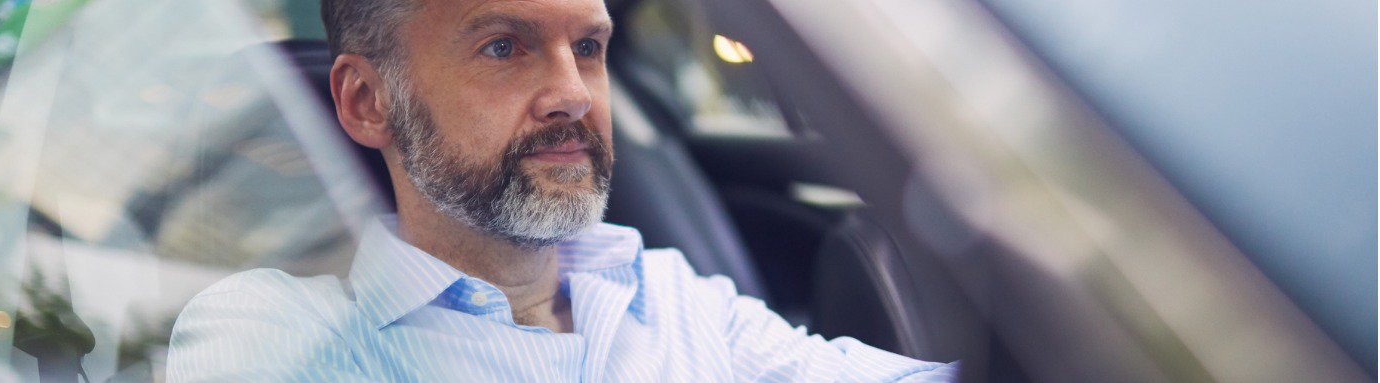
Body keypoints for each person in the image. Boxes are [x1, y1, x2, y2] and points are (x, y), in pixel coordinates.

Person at [166, 0, 959, 381]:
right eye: (504, 46)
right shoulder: (280, 334)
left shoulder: (671, 294)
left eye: (588, 47)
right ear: (368, 103)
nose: (573, 92)